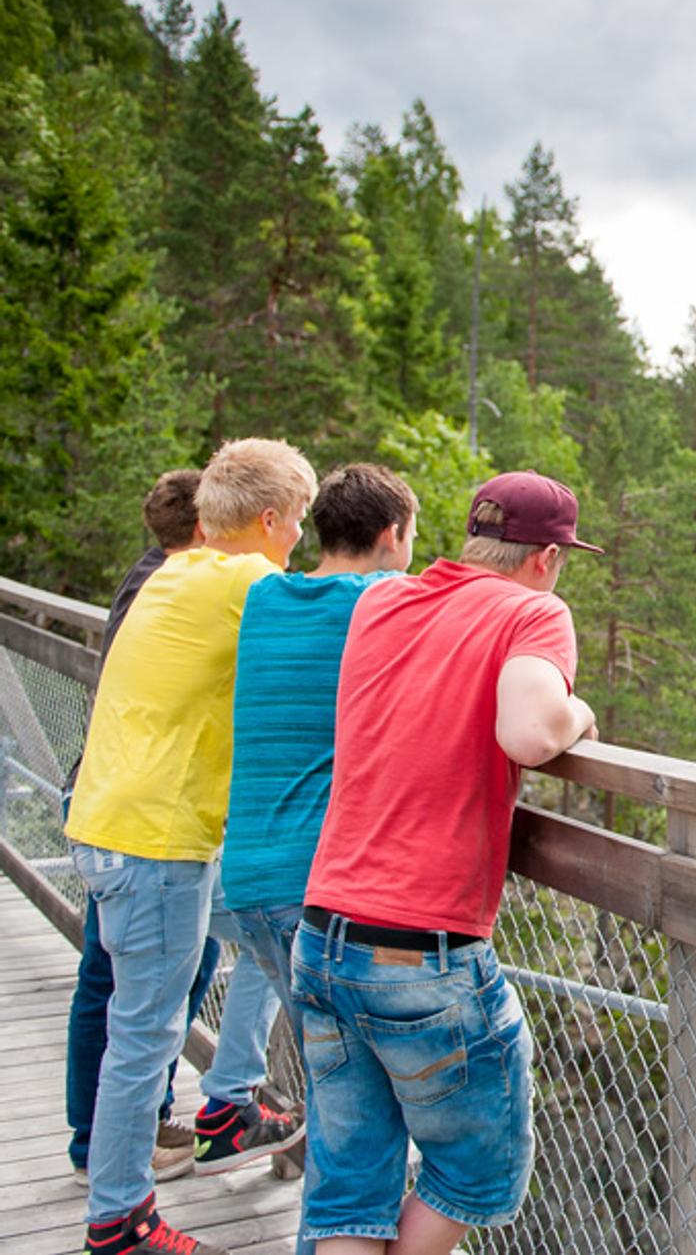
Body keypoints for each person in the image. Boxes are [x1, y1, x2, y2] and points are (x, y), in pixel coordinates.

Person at [294, 470, 599, 1255]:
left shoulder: (383, 601)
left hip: (322, 934)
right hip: (420, 952)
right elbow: (530, 734)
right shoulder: (536, 611)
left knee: (350, 1192)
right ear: (545, 558)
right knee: (477, 1173)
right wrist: (581, 713)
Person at [68, 438, 318, 1255]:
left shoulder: (174, 572)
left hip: (111, 828)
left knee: (262, 933)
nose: (300, 544)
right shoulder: (246, 578)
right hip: (158, 844)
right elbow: (334, 627)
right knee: (143, 1033)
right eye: (301, 524)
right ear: (271, 519)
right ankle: (119, 1220)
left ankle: (224, 1101)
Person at [219, 463, 416, 1254]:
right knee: (360, 1120)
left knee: (340, 1093)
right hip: (321, 886)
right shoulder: (379, 601)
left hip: (250, 879)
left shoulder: (265, 596)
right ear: (391, 536)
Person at [64, 471, 224, 1187]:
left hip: (114, 802)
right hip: (141, 817)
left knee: (121, 983)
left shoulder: (152, 578)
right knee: (130, 994)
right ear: (205, 525)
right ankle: (105, 1145)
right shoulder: (175, 586)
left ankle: (114, 1131)